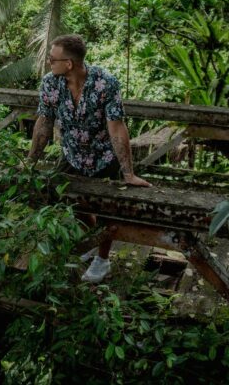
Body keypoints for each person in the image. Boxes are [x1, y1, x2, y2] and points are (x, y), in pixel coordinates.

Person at [27, 34, 151, 283]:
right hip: (72, 155)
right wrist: (29, 163)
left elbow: (116, 127)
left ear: (69, 64)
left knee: (107, 211)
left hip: (104, 157)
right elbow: (44, 123)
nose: (49, 62)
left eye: (52, 59)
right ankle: (94, 242)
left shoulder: (106, 83)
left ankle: (102, 260)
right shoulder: (51, 83)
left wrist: (128, 173)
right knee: (70, 201)